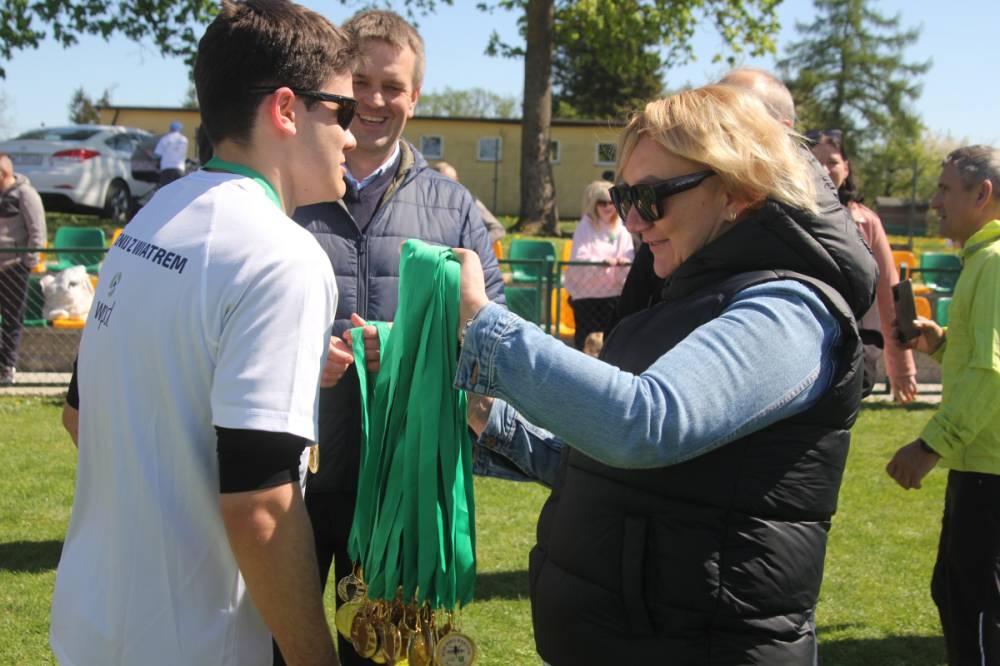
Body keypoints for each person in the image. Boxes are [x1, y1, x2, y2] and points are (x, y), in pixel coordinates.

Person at [454, 84, 876, 663]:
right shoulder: (679, 295)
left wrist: (484, 326)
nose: (632, 219)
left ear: (738, 191)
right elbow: (603, 465)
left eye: (652, 197)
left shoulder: (789, 308)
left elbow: (644, 425)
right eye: (625, 196)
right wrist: (484, 413)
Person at [51, 2, 357, 664]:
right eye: (343, 112)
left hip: (92, 623)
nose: (351, 138)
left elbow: (80, 415)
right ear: (286, 109)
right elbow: (261, 509)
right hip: (197, 643)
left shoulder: (152, 217)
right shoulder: (283, 256)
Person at [291, 10, 504, 665]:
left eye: (392, 86)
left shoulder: (454, 207)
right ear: (335, 85)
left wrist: (413, 352)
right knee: (276, 646)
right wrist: (300, 358)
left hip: (399, 489)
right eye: (360, 82)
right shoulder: (288, 190)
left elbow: (493, 337)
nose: (375, 100)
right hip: (293, 477)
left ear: (415, 96)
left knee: (382, 655)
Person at [886, 145, 1000, 666]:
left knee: (974, 611)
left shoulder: (994, 263)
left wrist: (930, 445)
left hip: (989, 476)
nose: (934, 203)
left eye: (944, 190)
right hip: (979, 469)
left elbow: (990, 373)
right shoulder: (983, 259)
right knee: (954, 593)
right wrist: (939, 342)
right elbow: (979, 356)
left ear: (983, 194)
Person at [809, 128, 917, 401]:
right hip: (806, 341)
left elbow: (889, 292)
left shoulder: (867, 223)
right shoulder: (783, 216)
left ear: (846, 168)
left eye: (833, 162)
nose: (823, 169)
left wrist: (901, 367)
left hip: (856, 349)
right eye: (814, 161)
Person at [563, 179, 634, 350]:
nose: (608, 207)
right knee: (585, 340)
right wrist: (601, 262)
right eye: (602, 203)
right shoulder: (585, 226)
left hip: (613, 293)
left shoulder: (621, 227)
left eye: (611, 202)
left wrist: (623, 262)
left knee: (610, 339)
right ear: (594, 204)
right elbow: (579, 256)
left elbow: (628, 253)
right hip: (587, 295)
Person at [0, 154, 46, 385]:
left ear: (4, 173)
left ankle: (7, 367)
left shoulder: (26, 195)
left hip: (14, 268)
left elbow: (38, 232)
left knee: (12, 319)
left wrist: (26, 263)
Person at [433, 160, 506, 242]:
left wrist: (478, 243)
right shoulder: (427, 205)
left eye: (450, 182)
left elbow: (498, 229)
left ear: (457, 180)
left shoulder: (470, 202)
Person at [153, 120, 190, 187]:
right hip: (179, 168)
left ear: (170, 129)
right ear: (180, 130)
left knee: (165, 189)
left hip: (166, 168)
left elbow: (157, 155)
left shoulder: (165, 139)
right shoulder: (184, 140)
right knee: (178, 190)